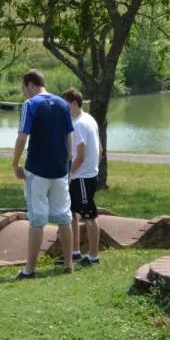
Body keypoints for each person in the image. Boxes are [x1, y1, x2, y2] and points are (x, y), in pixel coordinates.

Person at [12, 69, 75, 279]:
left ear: (30, 84)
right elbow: (69, 137)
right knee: (64, 218)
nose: (23, 93)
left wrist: (15, 164)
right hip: (59, 171)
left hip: (37, 171)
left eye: (23, 88)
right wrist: (67, 163)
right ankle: (68, 265)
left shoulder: (31, 105)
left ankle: (30, 269)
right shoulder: (63, 104)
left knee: (37, 220)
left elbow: (22, 137)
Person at [58, 87, 101, 266]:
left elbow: (81, 155)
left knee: (89, 216)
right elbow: (101, 148)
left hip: (82, 176)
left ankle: (93, 256)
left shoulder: (79, 125)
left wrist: (69, 174)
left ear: (73, 103)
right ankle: (74, 252)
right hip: (84, 175)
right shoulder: (89, 119)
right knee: (72, 214)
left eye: (65, 106)